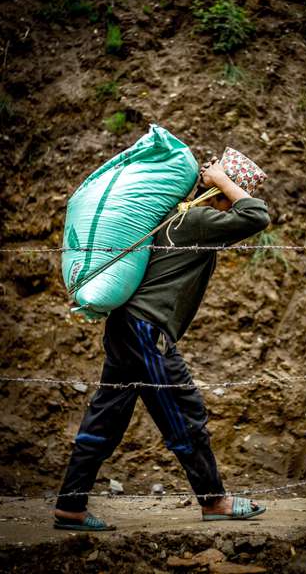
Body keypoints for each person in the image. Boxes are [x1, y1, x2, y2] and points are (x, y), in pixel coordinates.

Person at [54, 157, 270, 531]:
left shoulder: (176, 215)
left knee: (107, 414)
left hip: (126, 327)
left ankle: (70, 505)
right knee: (185, 413)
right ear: (219, 193)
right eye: (232, 194)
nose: (235, 201)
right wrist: (222, 180)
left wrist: (219, 182)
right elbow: (255, 216)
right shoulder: (197, 221)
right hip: (146, 332)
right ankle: (214, 499)